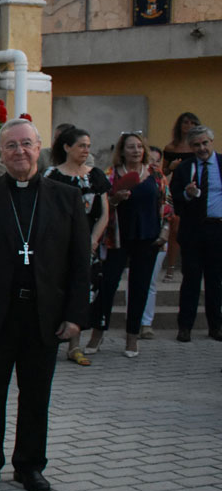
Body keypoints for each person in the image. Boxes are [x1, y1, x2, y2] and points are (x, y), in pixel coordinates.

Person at [0, 118, 89, 491]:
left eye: (26, 144)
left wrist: (76, 314)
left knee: (36, 395)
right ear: (1, 154)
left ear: (39, 148)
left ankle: (30, 466)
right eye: (11, 145)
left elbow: (80, 261)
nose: (20, 152)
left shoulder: (66, 198)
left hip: (44, 314)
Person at [84, 132, 169, 359]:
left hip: (147, 238)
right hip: (117, 239)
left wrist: (165, 231)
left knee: (140, 287)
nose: (136, 151)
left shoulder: (155, 173)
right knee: (108, 285)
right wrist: (114, 200)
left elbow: (166, 203)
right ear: (122, 151)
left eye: (140, 147)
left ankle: (132, 337)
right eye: (131, 147)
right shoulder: (111, 175)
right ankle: (97, 333)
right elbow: (100, 206)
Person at [42, 127, 110, 365]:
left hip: (88, 245)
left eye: (88, 146)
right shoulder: (52, 176)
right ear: (67, 147)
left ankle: (75, 345)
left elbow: (104, 214)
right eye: (81, 145)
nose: (86, 150)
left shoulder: (96, 176)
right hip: (60, 246)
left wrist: (92, 240)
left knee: (83, 291)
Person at [170, 124, 222, 342]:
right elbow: (175, 200)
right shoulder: (184, 168)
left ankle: (216, 326)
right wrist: (187, 194)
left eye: (204, 143)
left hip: (218, 229)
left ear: (212, 142)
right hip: (193, 231)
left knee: (215, 280)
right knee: (191, 279)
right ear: (190, 147)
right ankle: (185, 327)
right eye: (196, 145)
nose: (201, 148)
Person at [162, 111, 201, 280]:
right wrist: (171, 166)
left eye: (193, 123)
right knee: (175, 229)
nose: (189, 126)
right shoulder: (171, 147)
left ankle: (195, 267)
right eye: (186, 122)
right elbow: (162, 172)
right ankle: (170, 268)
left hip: (196, 189)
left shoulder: (198, 146)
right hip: (177, 188)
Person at [135, 144, 167, 339]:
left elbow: (168, 204)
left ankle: (146, 323)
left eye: (157, 160)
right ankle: (134, 320)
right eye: (151, 159)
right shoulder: (121, 173)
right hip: (133, 235)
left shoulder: (159, 179)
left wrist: (165, 230)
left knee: (150, 282)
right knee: (133, 281)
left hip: (156, 235)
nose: (153, 163)